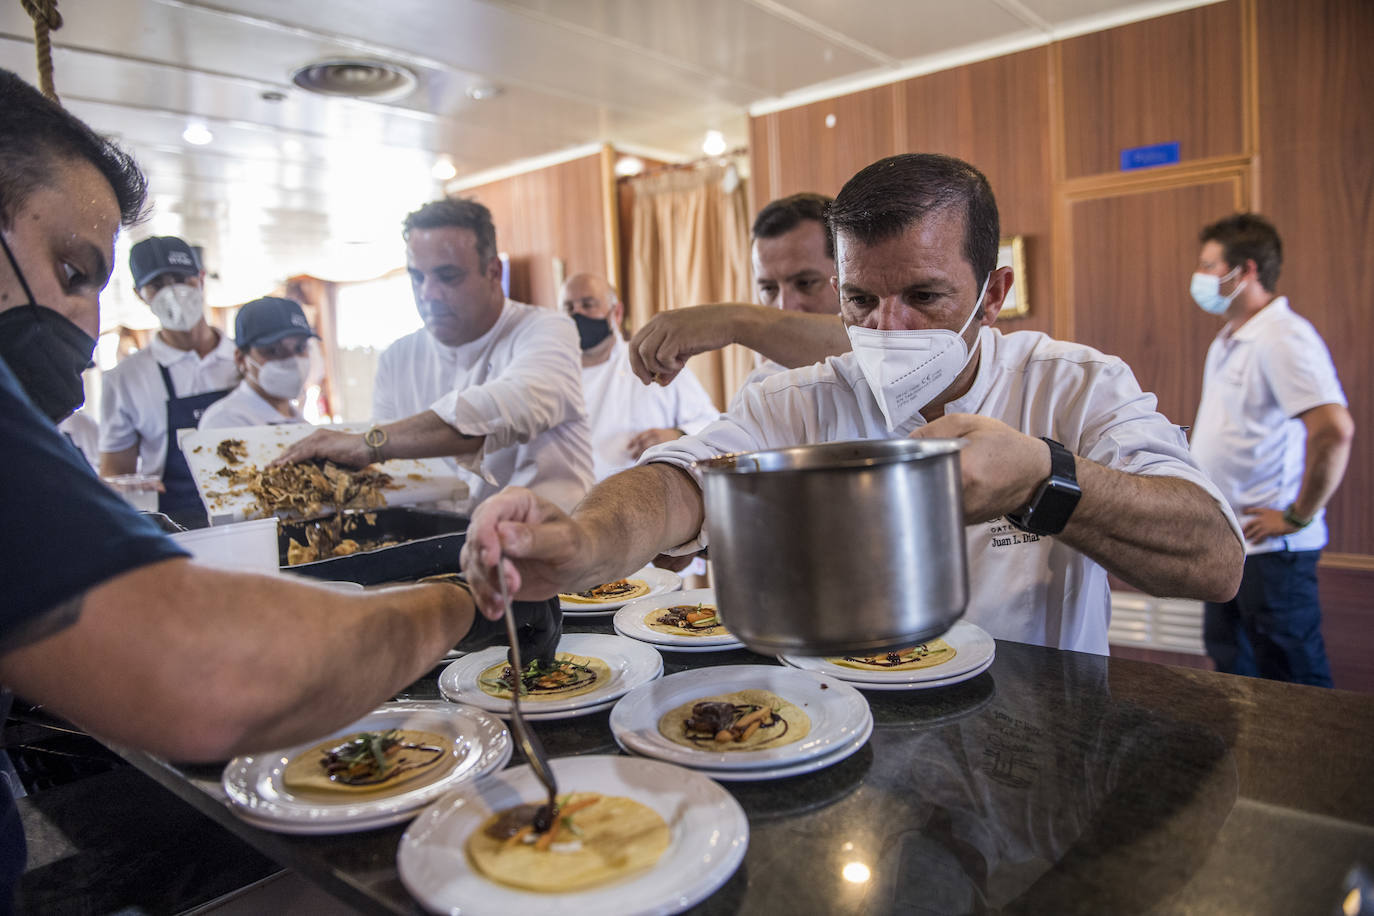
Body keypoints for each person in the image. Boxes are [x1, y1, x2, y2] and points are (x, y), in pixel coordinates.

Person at [0, 69, 554, 905]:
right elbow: (213, 671)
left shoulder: (537, 335)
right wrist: (459, 601)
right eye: (72, 272)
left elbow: (515, 409)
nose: (85, 320)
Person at [461, 153, 1246, 654]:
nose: (887, 329)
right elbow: (676, 484)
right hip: (834, 721)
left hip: (1032, 724)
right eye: (863, 299)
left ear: (994, 293)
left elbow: (1216, 559)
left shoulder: (1073, 385)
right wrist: (584, 539)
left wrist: (1046, 478)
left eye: (926, 296)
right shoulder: (799, 400)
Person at [274, 198, 594, 513]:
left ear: (494, 271)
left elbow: (512, 404)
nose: (428, 293)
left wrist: (368, 442)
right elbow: (387, 476)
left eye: (448, 276)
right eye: (417, 277)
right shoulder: (397, 358)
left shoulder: (547, 328)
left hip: (551, 549)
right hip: (440, 551)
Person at [1187, 214, 1354, 686]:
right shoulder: (1232, 338)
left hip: (1273, 552)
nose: (1200, 277)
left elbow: (1334, 430)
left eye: (1209, 265)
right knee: (1233, 674)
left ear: (1247, 272)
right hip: (1230, 544)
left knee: (1292, 681)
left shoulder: (1284, 337)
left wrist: (1298, 515)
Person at [626, 192, 851, 408]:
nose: (783, 306)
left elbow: (862, 347)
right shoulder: (763, 383)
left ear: (848, 275)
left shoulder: (880, 349)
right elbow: (717, 444)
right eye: (769, 288)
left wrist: (733, 322)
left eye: (806, 283)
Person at [97, 235, 238, 527]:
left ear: (200, 278)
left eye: (180, 278)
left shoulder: (244, 361)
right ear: (140, 295)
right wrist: (129, 490)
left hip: (252, 519)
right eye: (158, 285)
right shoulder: (125, 380)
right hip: (177, 528)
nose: (173, 292)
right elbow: (115, 475)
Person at [560, 272, 718, 480]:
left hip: (648, 498)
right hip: (574, 504)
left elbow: (712, 426)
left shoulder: (654, 361)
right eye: (569, 308)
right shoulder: (552, 378)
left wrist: (677, 436)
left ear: (616, 313)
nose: (577, 314)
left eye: (588, 305)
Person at [198, 296, 315, 430]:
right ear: (241, 359)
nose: (292, 360)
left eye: (299, 348)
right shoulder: (225, 423)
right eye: (273, 351)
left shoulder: (299, 422)